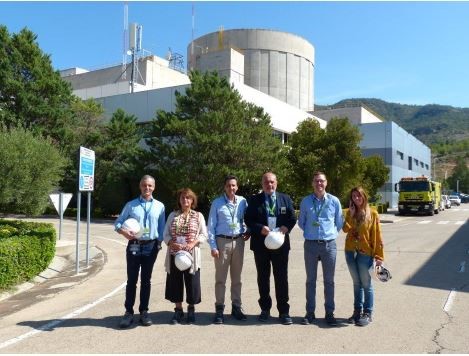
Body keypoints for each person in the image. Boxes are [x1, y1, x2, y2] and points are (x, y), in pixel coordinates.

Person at [244, 171, 297, 325]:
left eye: (272, 182)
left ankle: (284, 311)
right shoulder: (254, 200)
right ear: (262, 184)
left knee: (281, 278)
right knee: (263, 277)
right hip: (261, 244)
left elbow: (292, 218)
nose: (269, 185)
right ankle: (265, 309)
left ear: (276, 183)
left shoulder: (285, 199)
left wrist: (286, 227)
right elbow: (248, 219)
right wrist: (260, 228)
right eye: (266, 182)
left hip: (280, 244)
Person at [114, 175, 166, 328]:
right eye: (144, 185)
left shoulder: (160, 206)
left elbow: (161, 227)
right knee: (131, 280)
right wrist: (124, 233)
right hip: (134, 246)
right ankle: (128, 313)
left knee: (146, 280)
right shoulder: (131, 205)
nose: (147, 188)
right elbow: (118, 223)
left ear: (154, 187)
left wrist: (159, 243)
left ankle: (144, 312)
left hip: (151, 246)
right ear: (140, 186)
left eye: (150, 185)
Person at [298, 171, 343, 326]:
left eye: (322, 181)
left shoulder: (334, 201)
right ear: (313, 183)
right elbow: (301, 222)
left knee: (329, 281)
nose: (319, 184)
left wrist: (328, 234)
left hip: (329, 245)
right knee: (310, 281)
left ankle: (329, 313)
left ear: (326, 183)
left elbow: (339, 223)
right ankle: (310, 313)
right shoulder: (305, 202)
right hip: (310, 245)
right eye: (316, 181)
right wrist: (312, 233)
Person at [207, 175, 250, 324]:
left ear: (237, 187)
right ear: (224, 187)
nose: (231, 188)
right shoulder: (217, 203)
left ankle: (236, 307)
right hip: (222, 242)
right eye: (228, 186)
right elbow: (211, 226)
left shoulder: (243, 201)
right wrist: (213, 246)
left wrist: (248, 230)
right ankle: (219, 308)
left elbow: (248, 219)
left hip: (238, 242)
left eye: (233, 185)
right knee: (220, 279)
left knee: (237, 278)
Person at [163, 188, 207, 324]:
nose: (185, 200)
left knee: (192, 282)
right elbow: (165, 234)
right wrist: (172, 243)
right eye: (182, 198)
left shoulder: (198, 216)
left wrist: (194, 243)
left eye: (188, 198)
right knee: (175, 282)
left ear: (192, 200)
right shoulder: (172, 215)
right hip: (175, 254)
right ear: (179, 200)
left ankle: (191, 309)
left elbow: (204, 234)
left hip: (191, 255)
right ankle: (178, 310)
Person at [343, 186, 384, 326]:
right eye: (354, 196)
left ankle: (368, 313)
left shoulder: (372, 213)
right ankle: (357, 311)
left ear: (364, 196)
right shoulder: (350, 212)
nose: (356, 199)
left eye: (359, 196)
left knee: (366, 284)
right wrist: (352, 215)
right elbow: (345, 229)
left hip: (365, 253)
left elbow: (377, 236)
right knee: (356, 284)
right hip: (350, 252)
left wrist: (379, 257)